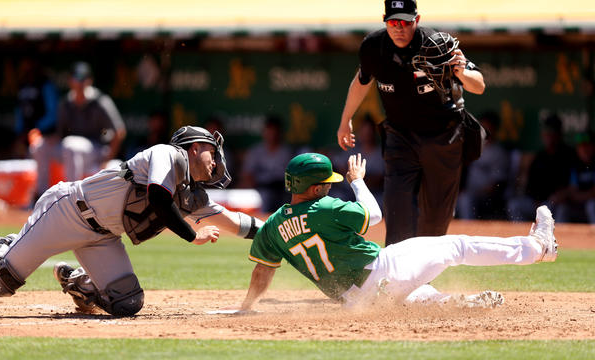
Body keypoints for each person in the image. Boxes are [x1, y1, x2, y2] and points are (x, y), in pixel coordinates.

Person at [0, 126, 264, 317]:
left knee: (127, 302)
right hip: (67, 212)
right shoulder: (166, 153)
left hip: (102, 237)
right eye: (211, 152)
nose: (215, 161)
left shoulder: (189, 194)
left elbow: (234, 223)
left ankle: (78, 282)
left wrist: (278, 231)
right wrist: (191, 236)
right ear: (194, 146)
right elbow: (158, 198)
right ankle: (0, 248)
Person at [231, 153, 557, 312]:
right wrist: (356, 180)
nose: (331, 187)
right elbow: (374, 215)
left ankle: (467, 304)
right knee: (456, 246)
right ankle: (537, 249)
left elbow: (263, 270)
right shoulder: (325, 208)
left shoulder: (273, 224)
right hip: (382, 269)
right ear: (315, 188)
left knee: (419, 297)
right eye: (327, 184)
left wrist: (246, 307)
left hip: (354, 302)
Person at [336, 0, 485, 246]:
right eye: (393, 22)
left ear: (416, 20)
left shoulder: (437, 43)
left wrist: (461, 72)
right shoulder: (374, 46)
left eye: (405, 22)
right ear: (385, 21)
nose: (399, 28)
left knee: (436, 216)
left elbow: (478, 85)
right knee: (397, 205)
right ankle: (395, 276)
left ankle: (425, 273)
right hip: (400, 134)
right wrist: (345, 121)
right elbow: (362, 81)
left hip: (443, 135)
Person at [57, 61, 127, 181]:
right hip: (73, 151)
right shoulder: (66, 102)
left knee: (70, 146)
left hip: (97, 150)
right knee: (40, 147)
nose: (80, 82)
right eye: (77, 78)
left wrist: (106, 160)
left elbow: (119, 132)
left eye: (84, 78)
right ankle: (40, 194)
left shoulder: (100, 100)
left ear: (90, 80)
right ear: (70, 81)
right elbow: (59, 134)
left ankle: (72, 196)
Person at [507, 114, 579, 221]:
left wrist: (563, 194)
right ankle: (524, 236)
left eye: (552, 133)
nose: (548, 136)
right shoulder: (540, 157)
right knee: (514, 205)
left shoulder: (570, 155)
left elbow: (574, 186)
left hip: (558, 203)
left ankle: (560, 237)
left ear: (559, 134)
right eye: (546, 133)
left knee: (561, 208)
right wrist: (536, 200)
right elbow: (530, 187)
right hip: (539, 203)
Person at [13, 58, 59, 197]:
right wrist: (20, 132)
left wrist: (38, 128)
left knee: (38, 149)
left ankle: (42, 194)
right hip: (27, 133)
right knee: (27, 162)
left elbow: (53, 113)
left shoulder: (45, 85)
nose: (27, 69)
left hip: (47, 135)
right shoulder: (23, 85)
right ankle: (30, 197)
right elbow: (20, 111)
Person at [456, 111, 510, 219]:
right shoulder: (473, 147)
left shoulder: (499, 152)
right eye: (482, 127)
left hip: (487, 198)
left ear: (494, 129)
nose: (484, 131)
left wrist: (474, 192)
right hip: (468, 194)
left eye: (488, 127)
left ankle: (468, 231)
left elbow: (497, 185)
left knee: (466, 199)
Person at [239, 116, 293, 213]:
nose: (272, 134)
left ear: (280, 132)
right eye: (269, 130)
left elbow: (291, 177)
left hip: (281, 190)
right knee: (261, 198)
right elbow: (247, 175)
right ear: (264, 132)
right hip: (260, 189)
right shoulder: (255, 151)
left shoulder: (287, 151)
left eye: (275, 131)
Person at [554, 131, 595, 224]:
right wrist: (573, 195)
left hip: (589, 206)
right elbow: (572, 191)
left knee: (591, 205)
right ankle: (560, 237)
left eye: (587, 146)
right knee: (562, 208)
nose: (584, 149)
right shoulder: (574, 164)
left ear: (593, 147)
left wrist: (575, 195)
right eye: (581, 146)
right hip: (577, 207)